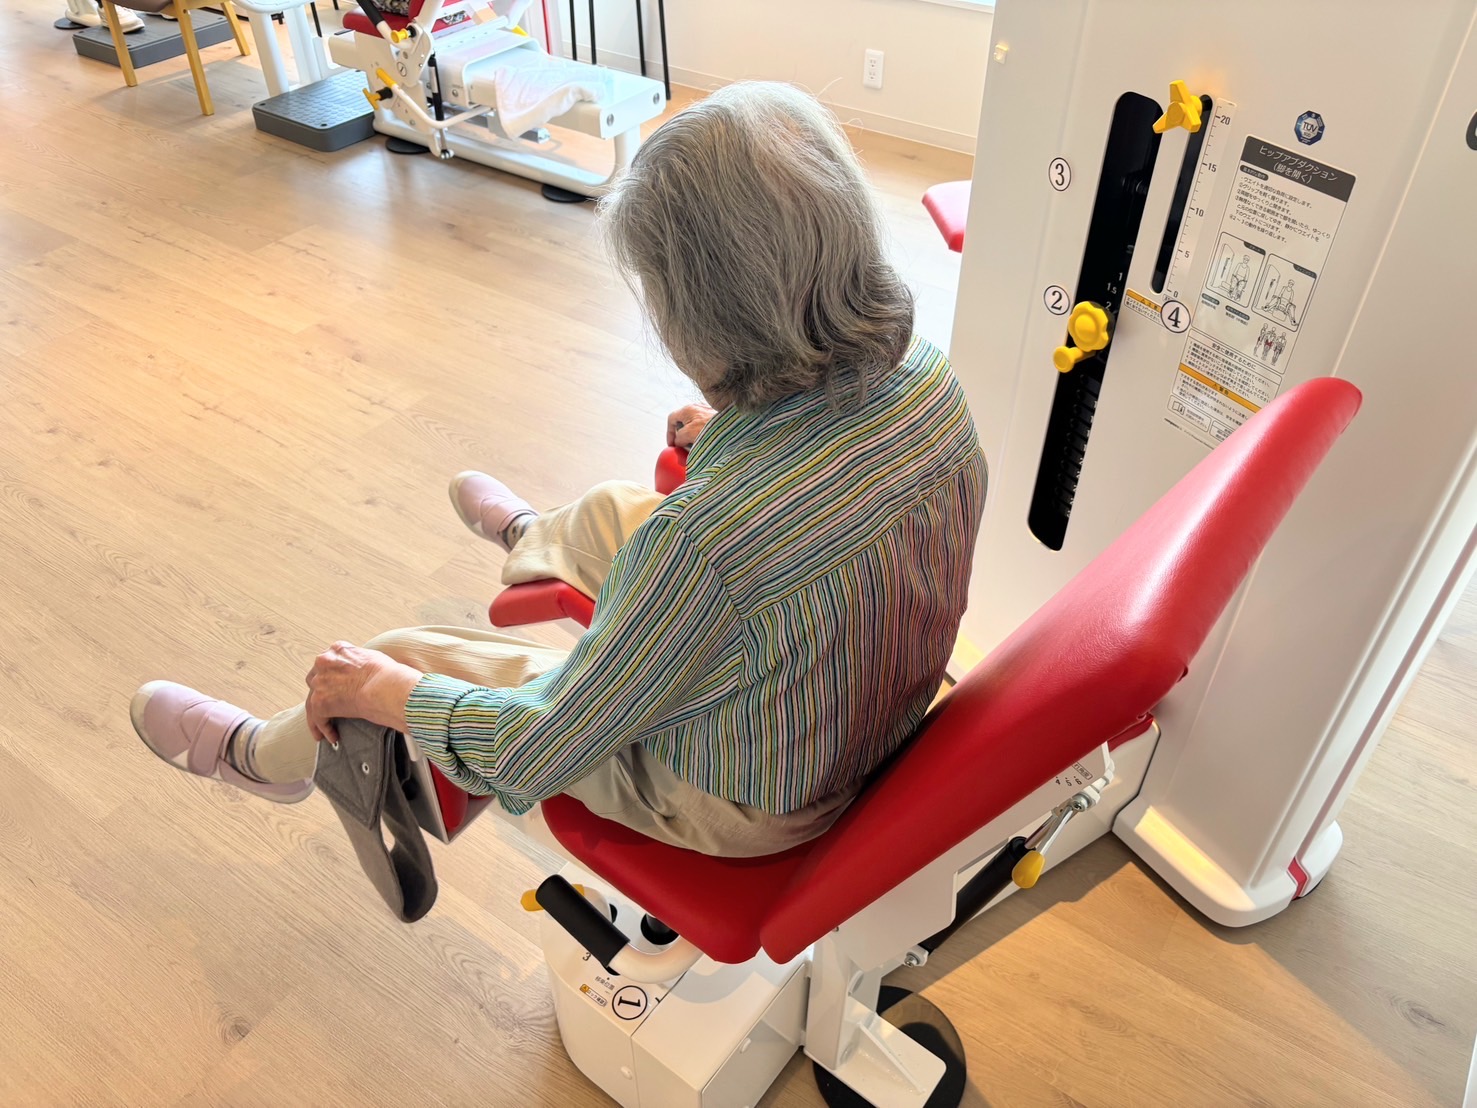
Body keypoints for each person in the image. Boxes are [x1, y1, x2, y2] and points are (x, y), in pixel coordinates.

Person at [130, 82, 987, 859]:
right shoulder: (928, 381)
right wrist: (736, 430)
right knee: (614, 507)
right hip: (857, 702)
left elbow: (539, 748)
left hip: (746, 798)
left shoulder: (702, 544)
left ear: (701, 314)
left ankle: (264, 758)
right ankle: (534, 538)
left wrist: (393, 693)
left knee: (392, 659)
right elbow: (817, 481)